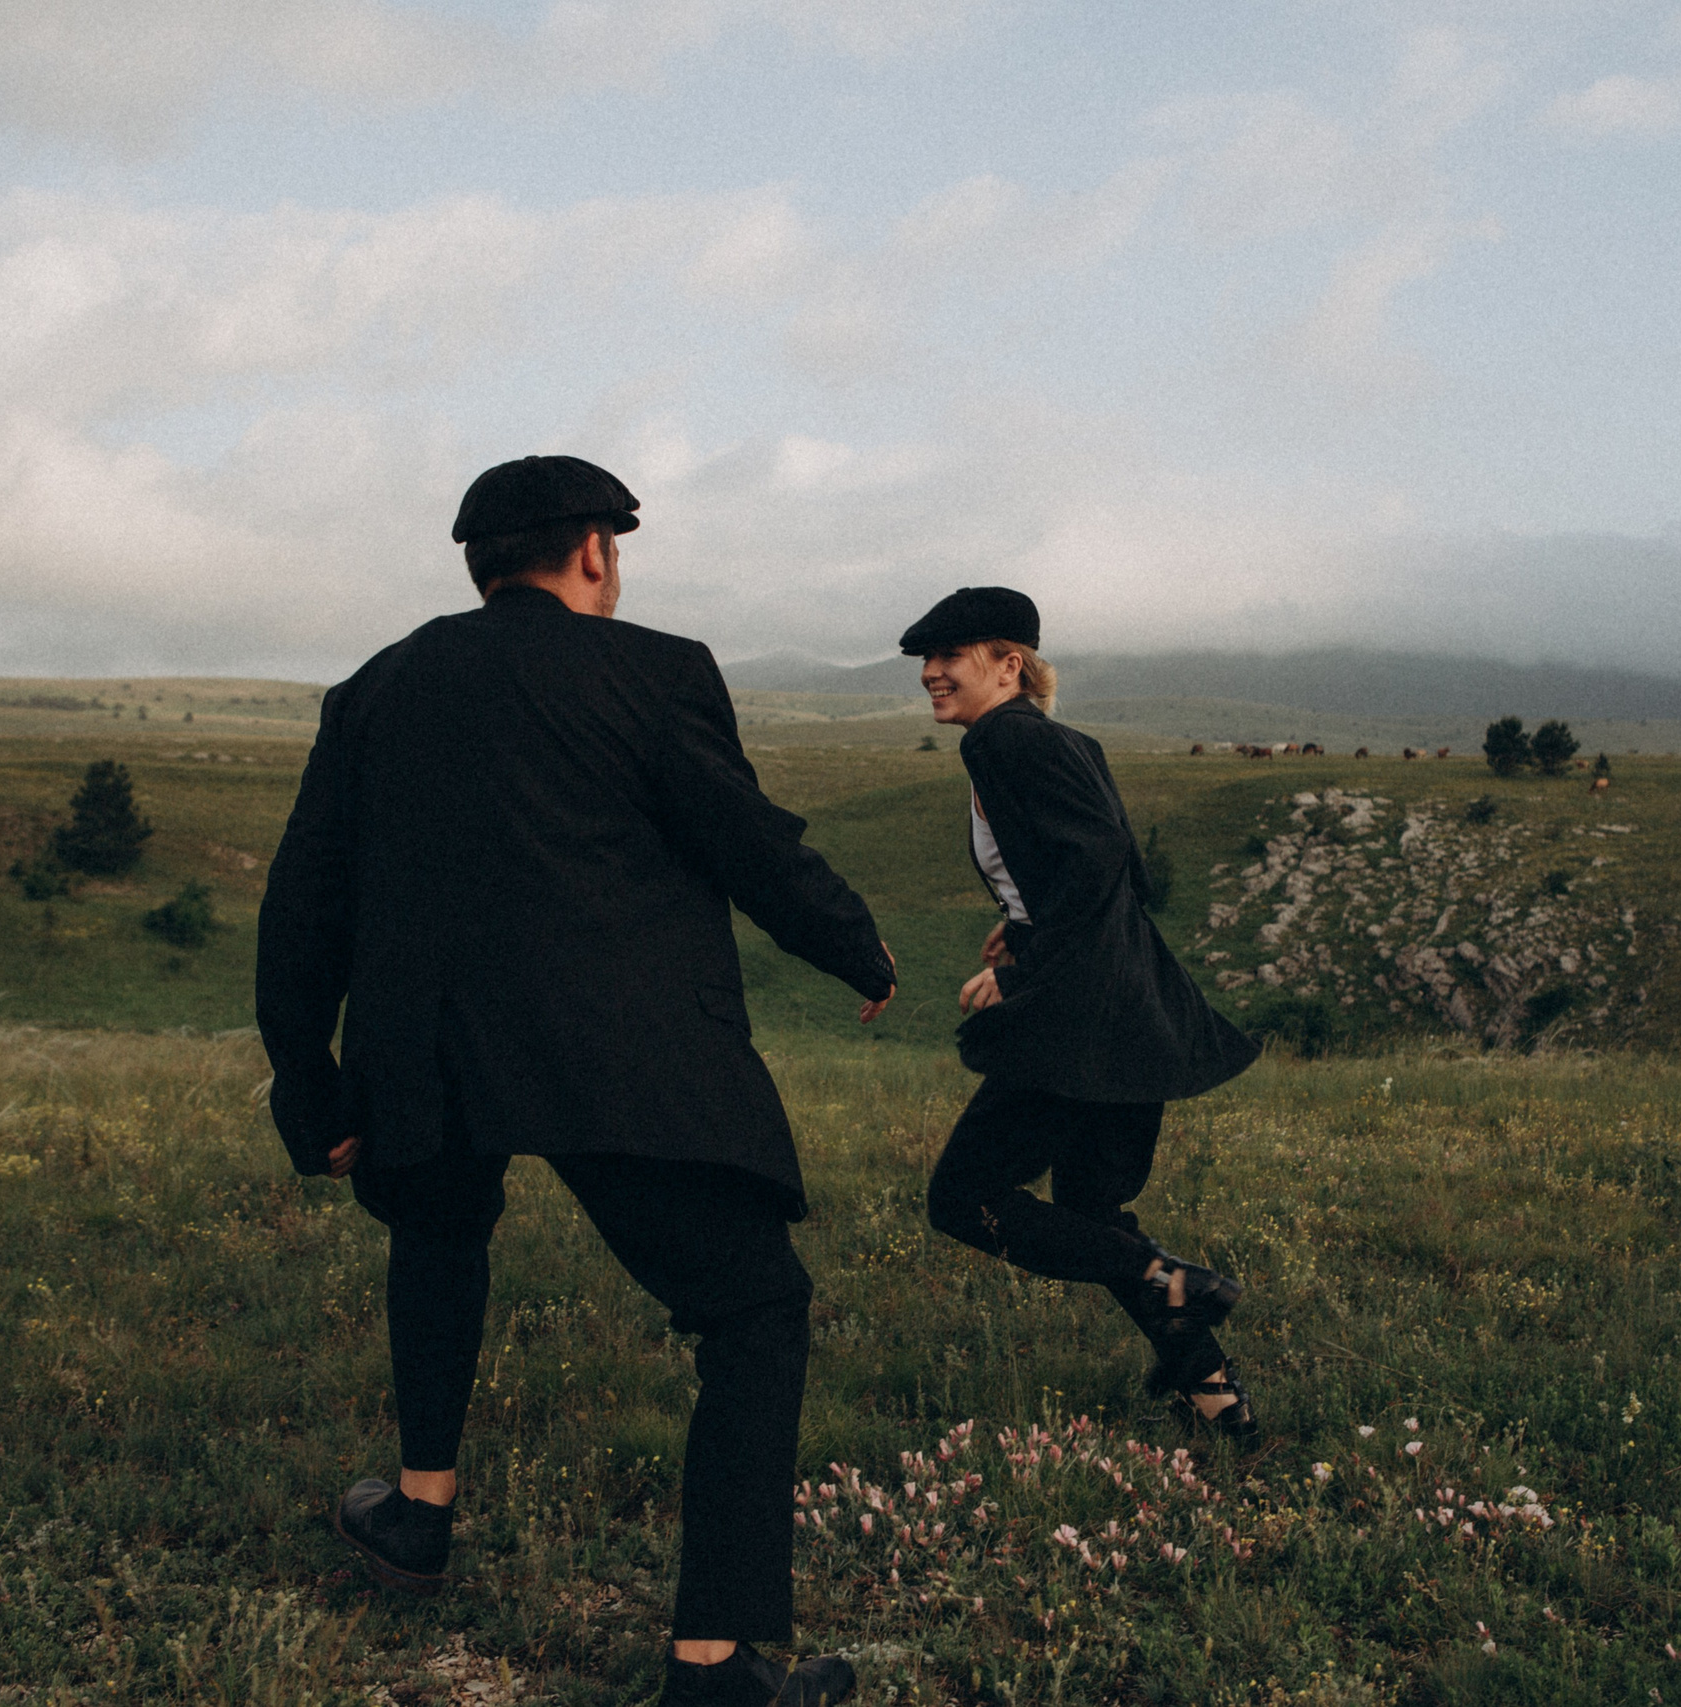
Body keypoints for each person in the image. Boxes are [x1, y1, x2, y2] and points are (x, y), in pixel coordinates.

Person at [257, 455, 893, 1707]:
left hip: (422, 1060)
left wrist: (309, 1085)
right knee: (753, 1311)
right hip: (616, 1052)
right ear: (595, 549)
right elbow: (742, 835)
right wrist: (850, 943)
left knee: (438, 1232)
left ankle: (419, 1514)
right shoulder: (655, 670)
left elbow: (304, 902)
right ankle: (713, 1663)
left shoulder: (373, 687)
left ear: (481, 565)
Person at [901, 587, 1264, 1437]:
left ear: (1008, 665)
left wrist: (1026, 965)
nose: (930, 673)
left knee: (963, 1197)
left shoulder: (1006, 738)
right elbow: (1117, 864)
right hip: (1130, 1018)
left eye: (951, 657)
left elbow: (1097, 860)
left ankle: (1165, 1274)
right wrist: (1020, 919)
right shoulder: (1057, 740)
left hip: (1078, 1025)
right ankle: (1219, 1400)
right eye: (927, 660)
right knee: (1091, 1215)